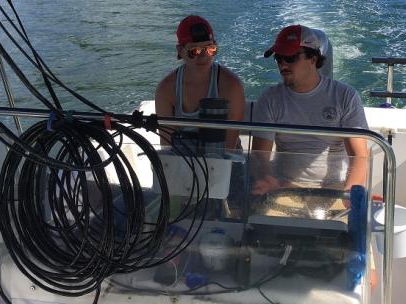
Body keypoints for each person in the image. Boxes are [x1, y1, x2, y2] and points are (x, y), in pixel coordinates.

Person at [251, 24, 369, 195]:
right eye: (279, 58)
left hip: (335, 187)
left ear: (313, 59)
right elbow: (260, 155)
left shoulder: (345, 96)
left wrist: (349, 194)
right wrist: (268, 180)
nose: (283, 64)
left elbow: (360, 156)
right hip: (284, 185)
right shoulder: (269, 99)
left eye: (290, 57)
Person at [155, 15, 244, 149]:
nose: (203, 56)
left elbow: (228, 149)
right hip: (182, 159)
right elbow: (167, 147)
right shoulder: (166, 90)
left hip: (224, 161)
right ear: (180, 51)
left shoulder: (232, 86)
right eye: (194, 51)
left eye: (210, 49)